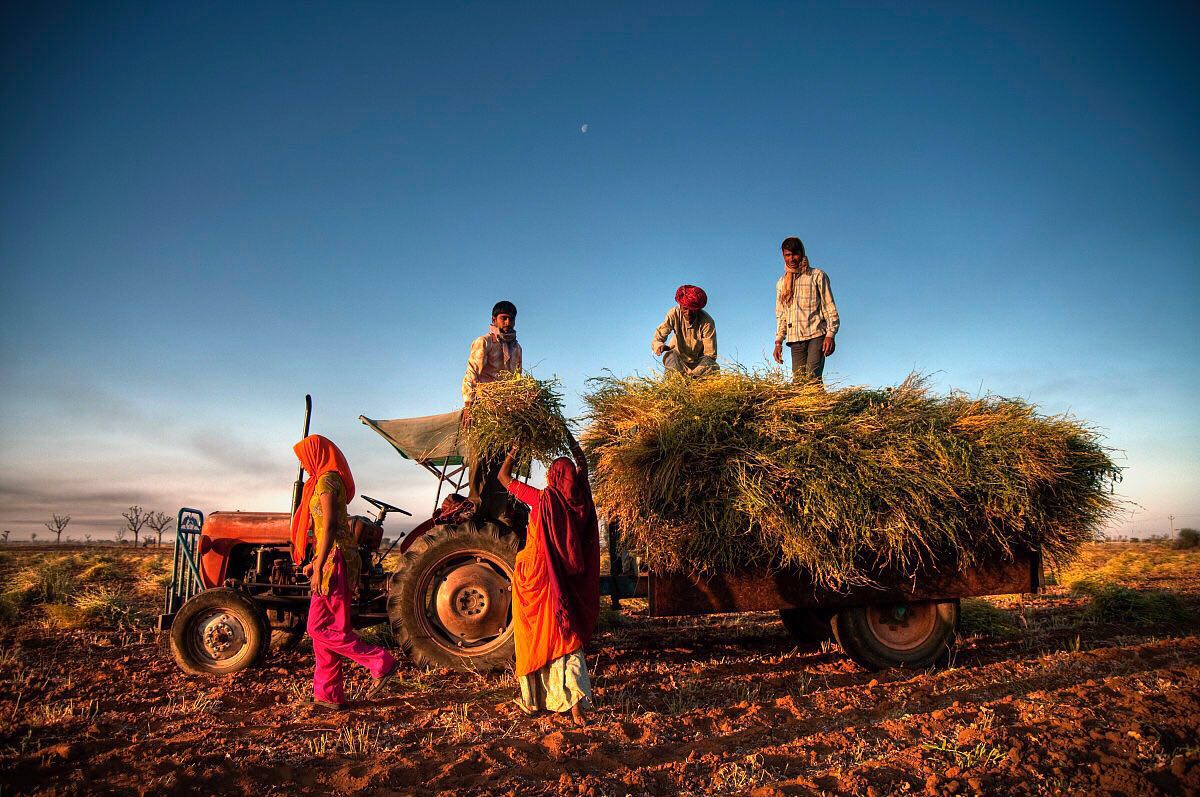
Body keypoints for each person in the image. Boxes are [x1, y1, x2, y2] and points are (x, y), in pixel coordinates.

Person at [497, 433, 600, 727]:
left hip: (536, 577)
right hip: (561, 580)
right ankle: (576, 704)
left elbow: (504, 477)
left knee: (534, 635)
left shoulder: (542, 498)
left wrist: (516, 446)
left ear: (553, 477)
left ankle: (535, 699)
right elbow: (582, 464)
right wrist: (567, 435)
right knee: (566, 635)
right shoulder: (580, 499)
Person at [291, 434, 397, 710]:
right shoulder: (324, 480)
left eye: (304, 458)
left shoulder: (327, 480)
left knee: (317, 628)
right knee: (329, 630)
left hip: (335, 561)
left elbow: (328, 527)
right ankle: (329, 695)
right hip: (331, 558)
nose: (302, 465)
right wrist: (315, 561)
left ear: (316, 454)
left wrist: (320, 565)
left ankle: (379, 661)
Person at [461, 300, 523, 525]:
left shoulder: (516, 348)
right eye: (503, 318)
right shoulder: (484, 342)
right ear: (494, 320)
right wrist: (469, 406)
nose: (507, 322)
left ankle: (497, 509)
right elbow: (471, 374)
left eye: (511, 319)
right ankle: (474, 503)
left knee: (503, 460)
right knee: (479, 455)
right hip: (483, 408)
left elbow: (517, 381)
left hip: (505, 413)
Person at [772, 237, 840, 382]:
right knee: (799, 384)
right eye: (787, 255)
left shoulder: (817, 276)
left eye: (795, 254)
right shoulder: (781, 283)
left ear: (802, 253)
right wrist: (778, 341)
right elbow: (781, 314)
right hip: (795, 338)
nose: (792, 259)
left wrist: (830, 335)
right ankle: (820, 404)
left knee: (812, 378)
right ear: (783, 256)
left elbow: (829, 306)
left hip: (816, 334)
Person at [651, 284, 718, 376]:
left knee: (712, 366)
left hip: (699, 363)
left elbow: (710, 355)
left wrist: (694, 375)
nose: (688, 313)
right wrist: (659, 345)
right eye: (685, 308)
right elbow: (659, 337)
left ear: (698, 309)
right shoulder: (673, 314)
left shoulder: (707, 322)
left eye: (692, 309)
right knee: (671, 357)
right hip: (678, 360)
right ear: (680, 305)